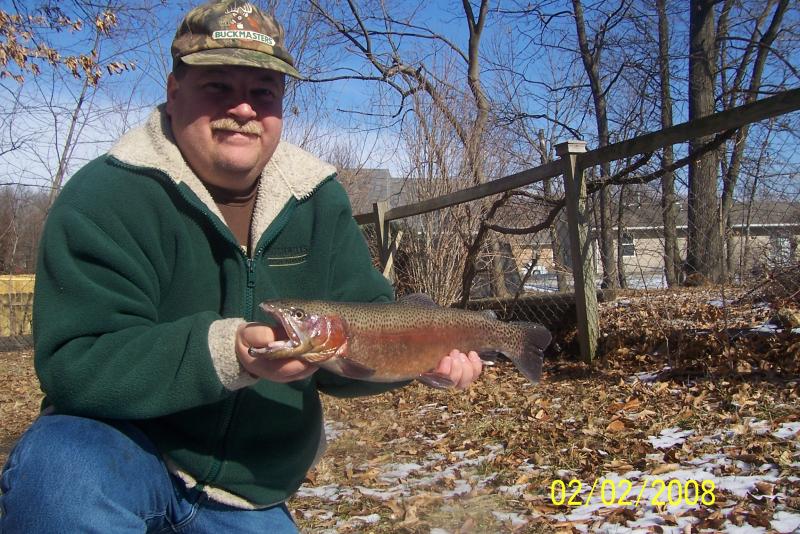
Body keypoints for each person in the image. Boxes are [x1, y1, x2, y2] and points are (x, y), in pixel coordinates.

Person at [0, 1, 482, 532]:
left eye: (261, 92)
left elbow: (355, 353)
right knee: (61, 476)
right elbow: (76, 362)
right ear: (174, 89)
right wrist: (229, 354)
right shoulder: (105, 196)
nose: (244, 109)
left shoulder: (317, 200)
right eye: (218, 87)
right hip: (115, 455)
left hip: (250, 489)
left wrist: (418, 361)